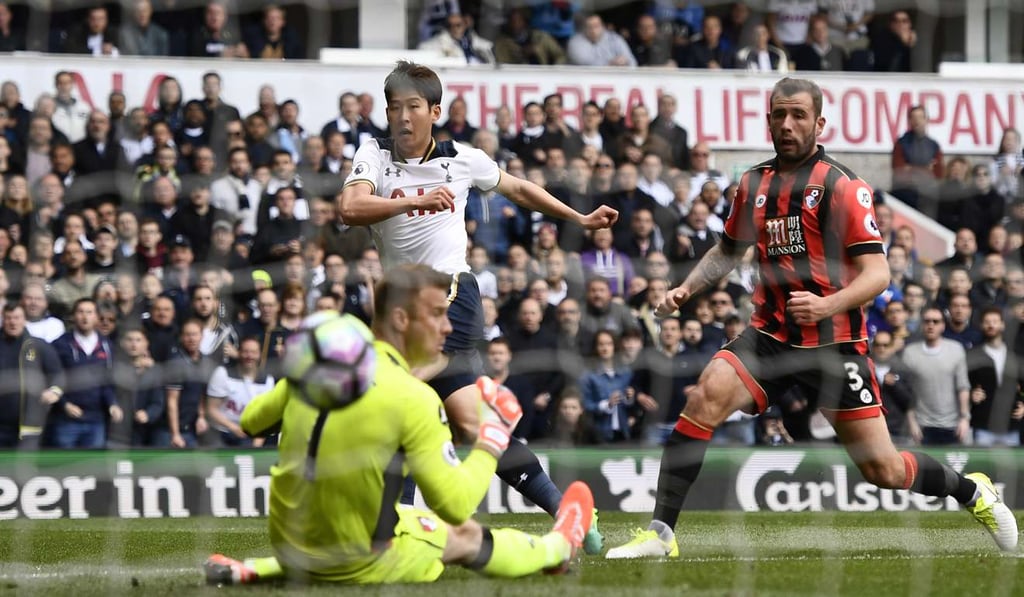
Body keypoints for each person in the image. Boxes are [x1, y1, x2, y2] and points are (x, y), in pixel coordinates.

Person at [607, 77, 1018, 559]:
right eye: (779, 115)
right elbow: (728, 249)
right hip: (770, 333)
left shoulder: (843, 187)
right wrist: (686, 288)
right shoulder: (752, 183)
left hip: (834, 345)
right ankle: (661, 534)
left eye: (798, 115)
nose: (787, 124)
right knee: (705, 396)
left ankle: (973, 492)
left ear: (819, 122)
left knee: (883, 471)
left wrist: (828, 304)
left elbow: (879, 272)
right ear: (768, 121)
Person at [338, 60, 615, 553]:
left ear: (435, 111)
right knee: (468, 420)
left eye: (413, 108)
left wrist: (580, 217)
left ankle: (393, 532)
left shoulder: (463, 159)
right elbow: (350, 209)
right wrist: (413, 202)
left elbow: (521, 189)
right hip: (399, 312)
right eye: (394, 108)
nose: (402, 118)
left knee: (401, 406)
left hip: (451, 296)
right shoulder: (373, 156)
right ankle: (568, 508)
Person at [204, 265, 594, 584]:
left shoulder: (321, 363)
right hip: (362, 560)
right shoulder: (414, 397)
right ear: (402, 319)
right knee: (464, 535)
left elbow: (253, 422)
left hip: (290, 544)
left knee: (400, 516)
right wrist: (492, 436)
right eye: (437, 315)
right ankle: (558, 547)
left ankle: (254, 568)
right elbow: (456, 506)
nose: (447, 328)